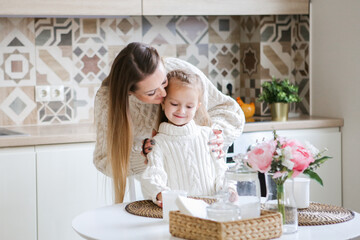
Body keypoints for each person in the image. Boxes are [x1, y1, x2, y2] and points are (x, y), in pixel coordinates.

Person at [93, 42, 245, 203]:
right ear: (130, 92)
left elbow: (231, 112)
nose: (164, 93)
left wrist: (215, 134)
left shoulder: (177, 70)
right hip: (168, 192)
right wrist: (144, 156)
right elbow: (104, 160)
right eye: (152, 92)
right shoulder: (107, 101)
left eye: (164, 82)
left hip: (208, 188)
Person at [141, 70, 228, 205]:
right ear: (163, 103)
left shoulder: (209, 135)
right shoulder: (157, 143)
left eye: (189, 106)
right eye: (174, 104)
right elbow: (152, 175)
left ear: (197, 107)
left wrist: (228, 189)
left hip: (212, 210)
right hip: (178, 213)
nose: (181, 111)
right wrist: (160, 193)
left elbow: (221, 171)